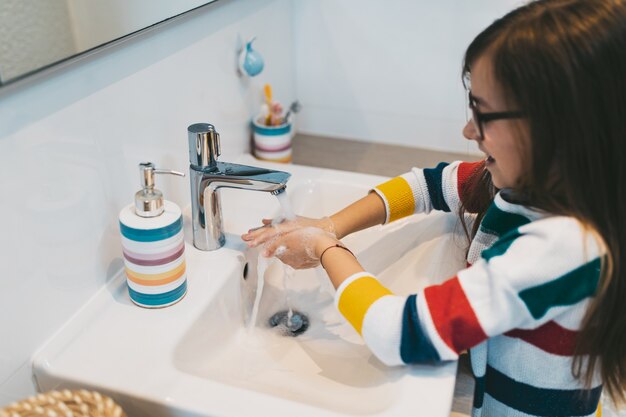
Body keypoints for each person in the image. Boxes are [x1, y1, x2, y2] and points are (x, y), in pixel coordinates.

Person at [242, 0, 626, 415]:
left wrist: (324, 248)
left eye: (484, 114)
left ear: (558, 129)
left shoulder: (562, 250)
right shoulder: (534, 187)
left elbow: (397, 334)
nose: (467, 129)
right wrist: (330, 224)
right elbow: (427, 184)